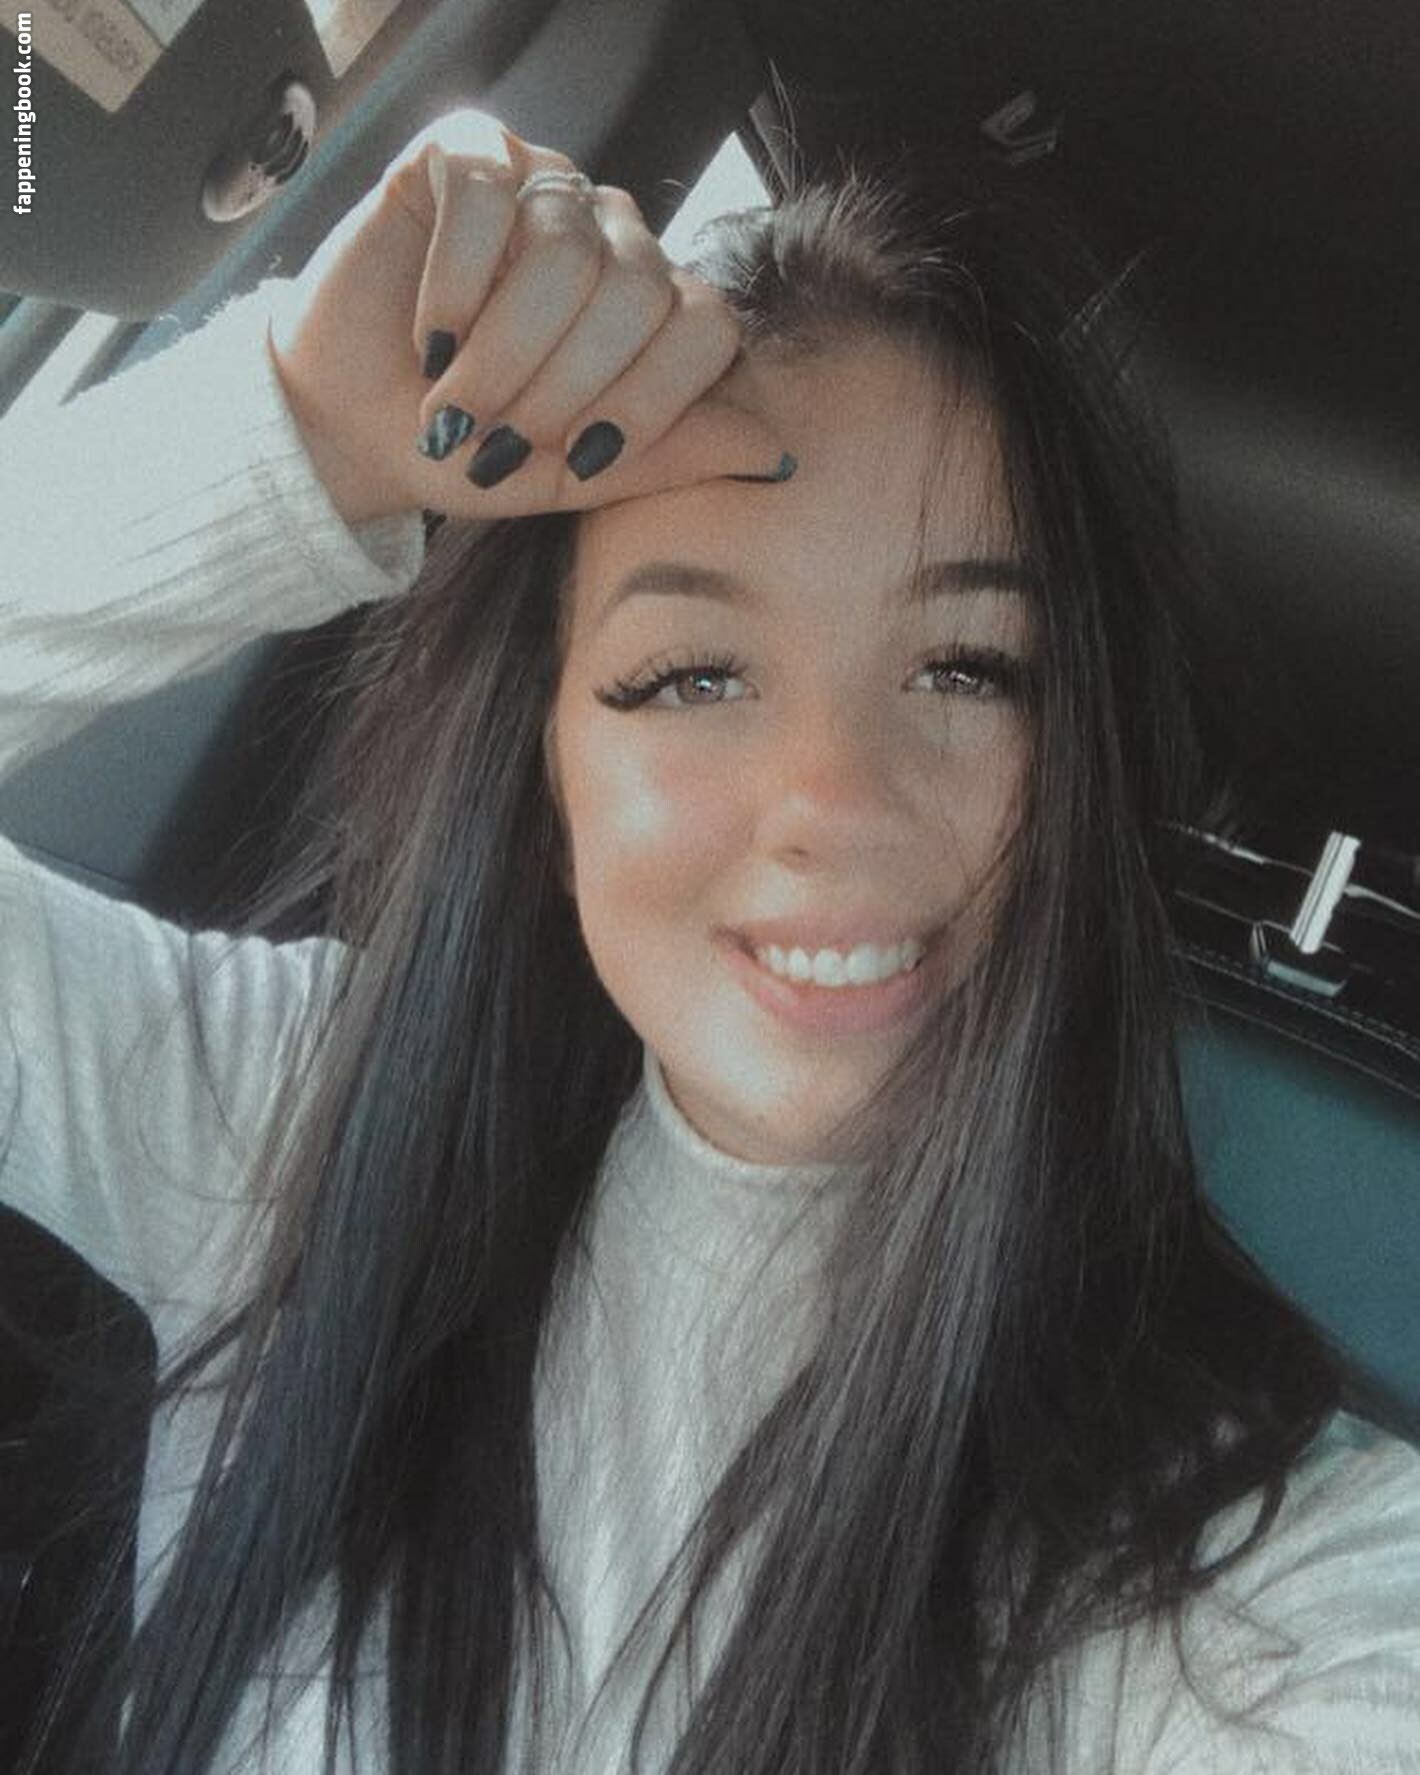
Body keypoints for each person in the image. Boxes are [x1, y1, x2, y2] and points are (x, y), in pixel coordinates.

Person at [1, 108, 1417, 1775]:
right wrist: (291, 434)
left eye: (969, 670)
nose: (834, 804)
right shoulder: (286, 1116)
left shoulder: (1266, 1586)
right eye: (693, 676)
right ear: (546, 772)